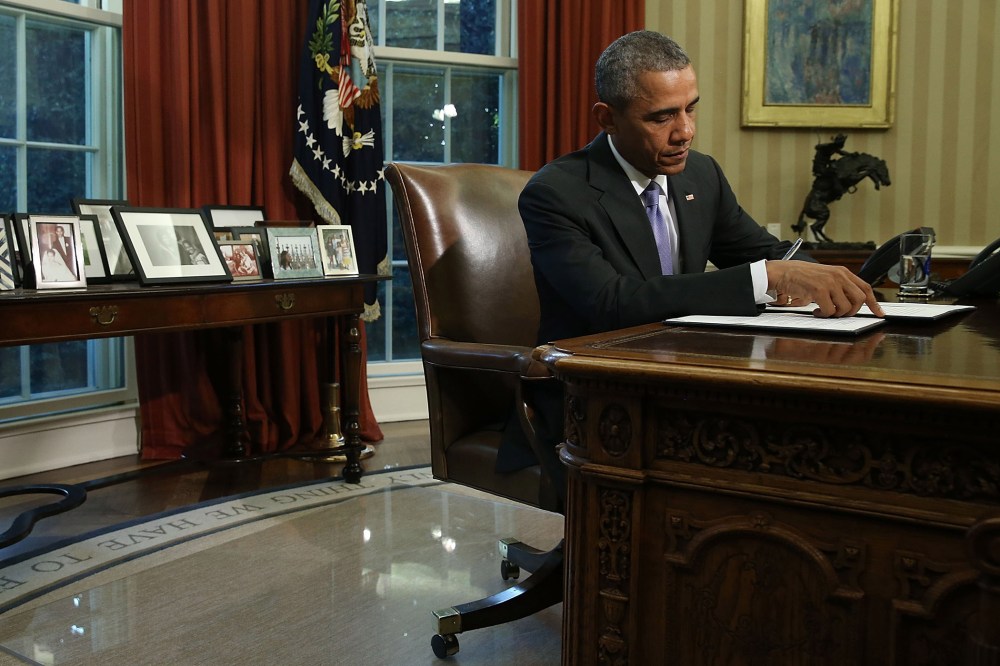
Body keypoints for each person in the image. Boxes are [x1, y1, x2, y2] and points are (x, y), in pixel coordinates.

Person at [506, 30, 884, 487]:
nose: (685, 131)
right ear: (607, 118)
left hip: (689, 381)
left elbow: (765, 252)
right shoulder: (556, 193)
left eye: (691, 108)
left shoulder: (701, 174)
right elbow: (612, 302)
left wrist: (820, 277)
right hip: (591, 397)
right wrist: (768, 276)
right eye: (662, 116)